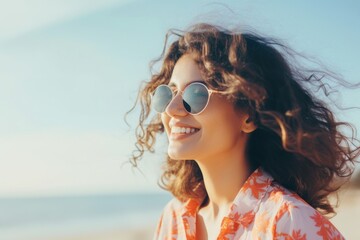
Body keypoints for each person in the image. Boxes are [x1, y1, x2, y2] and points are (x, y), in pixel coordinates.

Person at [129, 23, 359, 239]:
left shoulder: (289, 222)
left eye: (196, 95)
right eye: (167, 94)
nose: (172, 109)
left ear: (249, 115)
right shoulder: (174, 219)